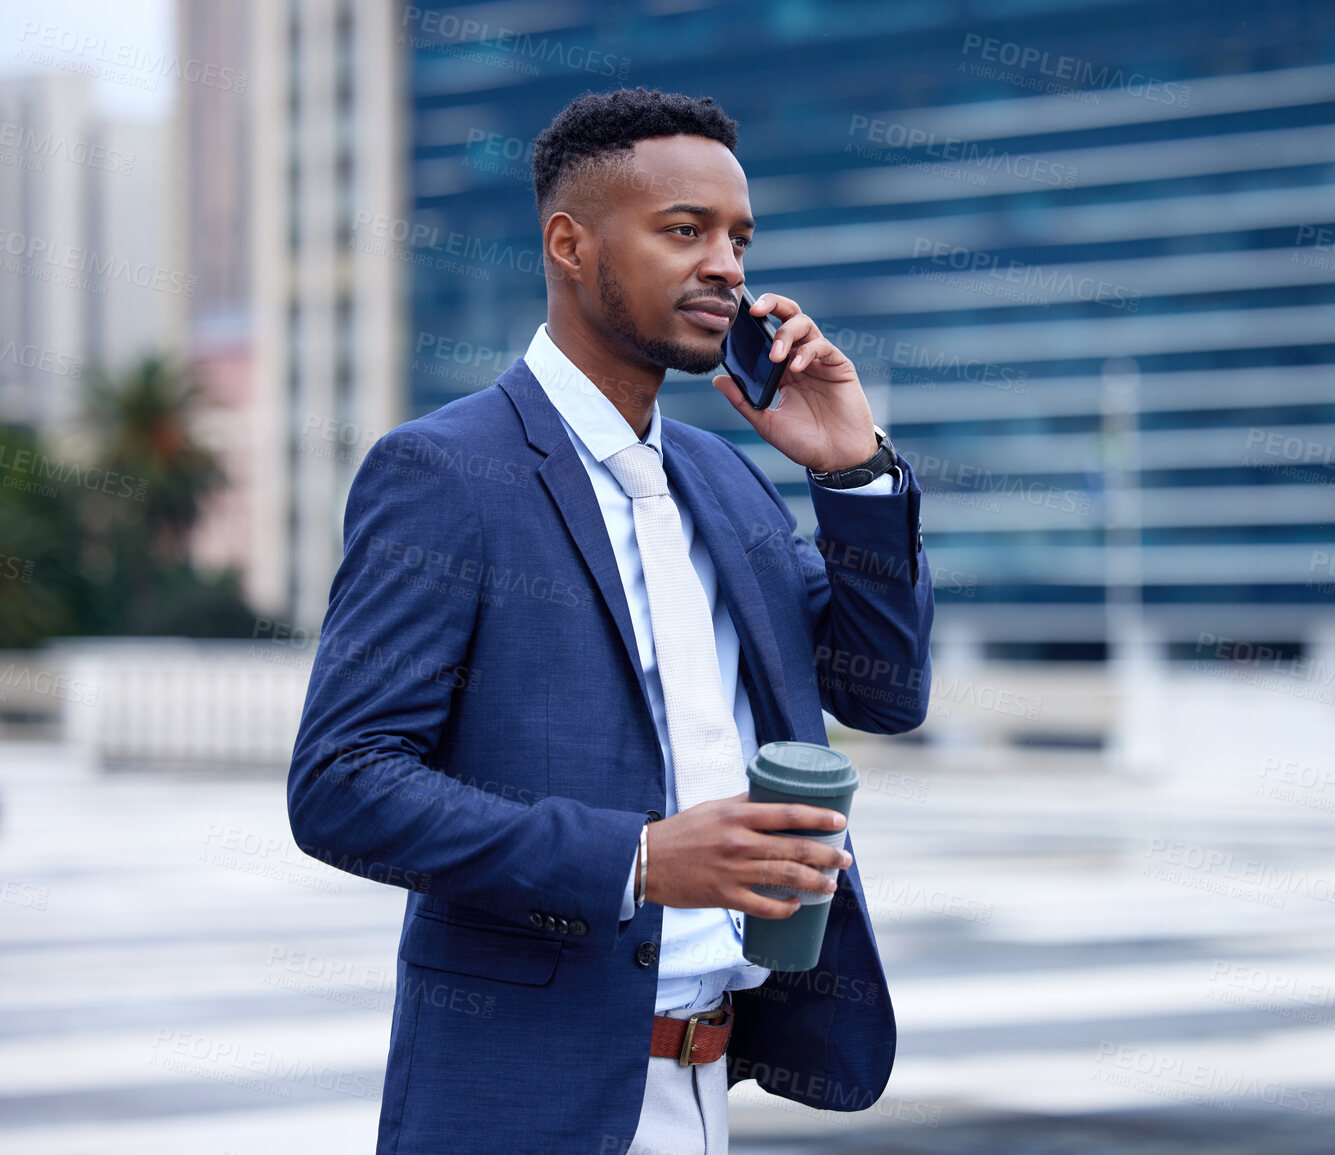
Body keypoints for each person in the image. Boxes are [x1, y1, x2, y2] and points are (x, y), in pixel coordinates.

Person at [287, 87, 933, 1154]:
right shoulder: (446, 473)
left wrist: (855, 471)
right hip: (525, 1097)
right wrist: (634, 859)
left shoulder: (726, 483)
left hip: (712, 1081)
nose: (727, 265)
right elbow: (343, 784)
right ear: (570, 243)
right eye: (686, 231)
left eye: (738, 237)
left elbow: (884, 693)